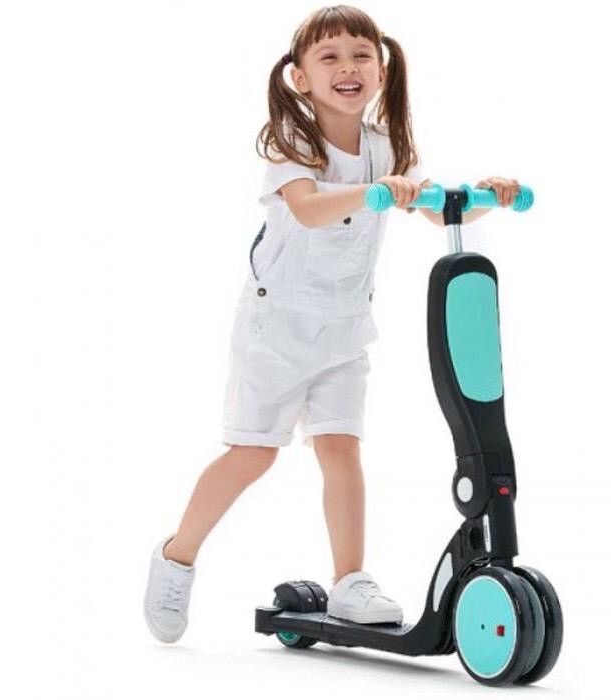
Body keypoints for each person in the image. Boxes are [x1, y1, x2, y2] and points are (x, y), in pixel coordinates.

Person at [143, 4, 521, 644]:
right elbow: (309, 209)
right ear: (300, 77)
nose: (348, 67)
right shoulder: (291, 142)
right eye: (330, 57)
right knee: (254, 453)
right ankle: (177, 556)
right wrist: (377, 193)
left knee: (341, 449)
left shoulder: (387, 149)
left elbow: (434, 210)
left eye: (361, 55)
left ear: (381, 70)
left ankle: (350, 582)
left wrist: (489, 195)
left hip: (346, 329)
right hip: (277, 329)